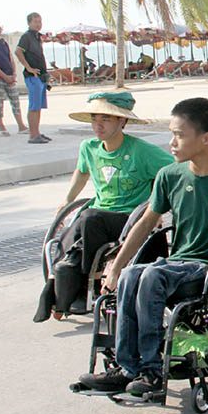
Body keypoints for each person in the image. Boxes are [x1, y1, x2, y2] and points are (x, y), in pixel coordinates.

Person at [76, 97, 208, 395]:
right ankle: (127, 368)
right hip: (177, 263)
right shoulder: (170, 176)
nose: (172, 143)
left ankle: (152, 373)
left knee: (152, 277)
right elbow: (144, 224)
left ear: (206, 139)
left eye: (179, 135)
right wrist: (116, 266)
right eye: (171, 134)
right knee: (131, 275)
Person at [33, 92, 174, 322]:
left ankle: (76, 285)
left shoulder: (141, 151)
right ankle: (57, 282)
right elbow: (82, 172)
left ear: (122, 121)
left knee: (88, 218)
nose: (98, 125)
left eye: (105, 119)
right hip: (95, 217)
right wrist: (67, 200)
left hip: (127, 217)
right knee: (79, 222)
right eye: (94, 119)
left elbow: (174, 172)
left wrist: (156, 206)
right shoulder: (89, 147)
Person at [0, 21, 28, 136]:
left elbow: (10, 58)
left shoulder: (3, 42)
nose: (0, 31)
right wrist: (4, 76)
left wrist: (13, 73)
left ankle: (21, 125)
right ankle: (1, 126)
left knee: (15, 100)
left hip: (9, 75)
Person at [15, 12, 51, 144]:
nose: (38, 24)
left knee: (38, 107)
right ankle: (33, 134)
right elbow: (18, 51)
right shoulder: (26, 37)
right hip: (32, 76)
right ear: (29, 23)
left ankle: (37, 132)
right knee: (33, 107)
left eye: (39, 21)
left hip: (41, 76)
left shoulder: (37, 37)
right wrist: (28, 68)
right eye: (35, 22)